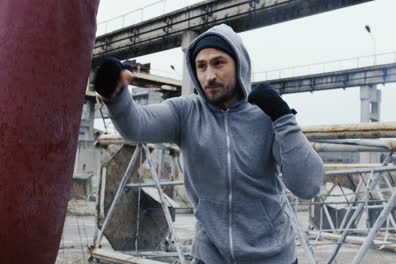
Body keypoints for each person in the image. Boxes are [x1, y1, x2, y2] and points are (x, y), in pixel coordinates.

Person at [94, 24, 324, 264]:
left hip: (273, 257)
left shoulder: (266, 114)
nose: (209, 76)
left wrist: (283, 117)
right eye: (201, 66)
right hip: (210, 257)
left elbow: (308, 185)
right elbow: (136, 126)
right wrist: (116, 97)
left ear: (239, 64)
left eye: (218, 63)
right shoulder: (186, 112)